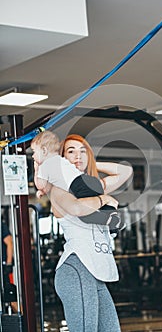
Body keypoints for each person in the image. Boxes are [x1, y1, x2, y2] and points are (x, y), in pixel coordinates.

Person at [34, 133, 133, 332]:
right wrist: (104, 199)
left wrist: (92, 161)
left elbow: (126, 171)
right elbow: (78, 209)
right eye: (71, 152)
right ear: (61, 158)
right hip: (77, 268)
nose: (78, 156)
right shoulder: (59, 190)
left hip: (96, 272)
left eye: (82, 151)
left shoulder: (91, 187)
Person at [31, 131, 125, 234]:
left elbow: (40, 184)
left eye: (34, 152)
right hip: (90, 182)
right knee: (101, 207)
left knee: (86, 216)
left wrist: (37, 169)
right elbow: (53, 183)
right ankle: (112, 213)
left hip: (79, 186)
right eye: (71, 152)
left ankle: (112, 221)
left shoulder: (45, 166)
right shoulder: (59, 161)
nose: (32, 156)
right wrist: (106, 199)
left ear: (44, 150)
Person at [1, 221, 17, 312]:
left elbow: (9, 243)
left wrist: (8, 263)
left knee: (12, 299)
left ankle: (25, 324)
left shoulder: (1, 225)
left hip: (4, 268)